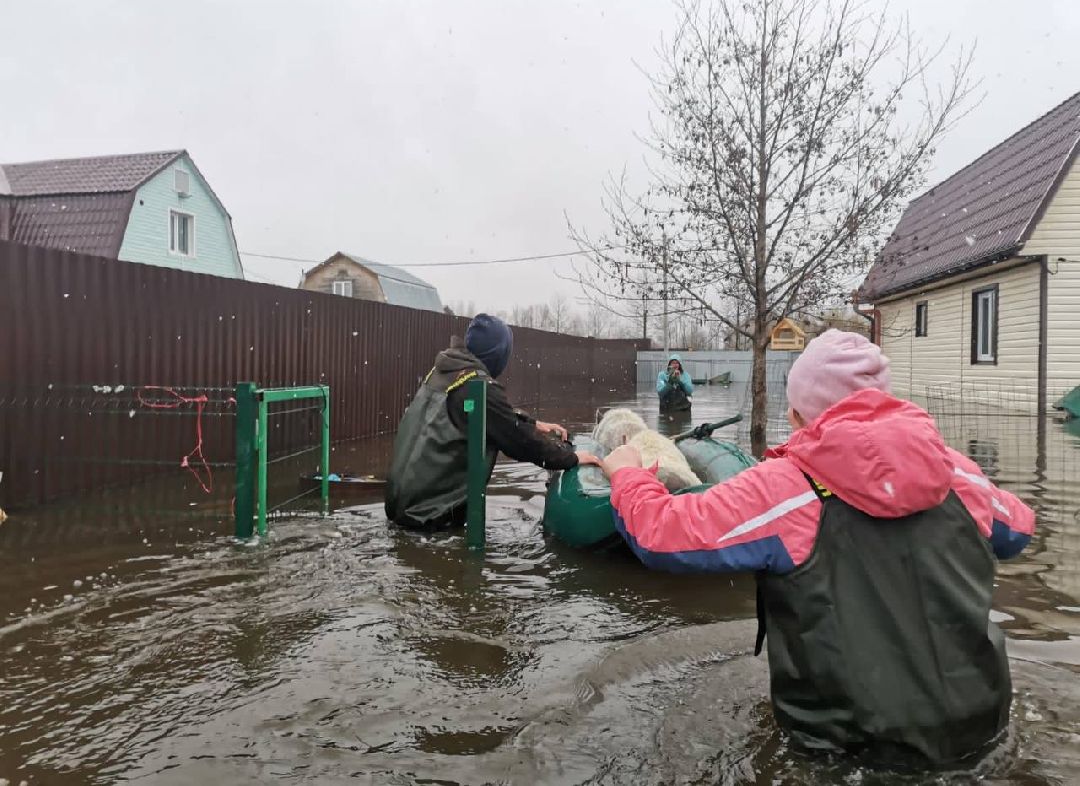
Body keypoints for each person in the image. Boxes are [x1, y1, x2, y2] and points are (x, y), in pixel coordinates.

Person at [600, 329, 1035, 766]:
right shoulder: (959, 474)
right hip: (983, 726)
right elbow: (1018, 531)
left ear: (797, 415)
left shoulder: (782, 489)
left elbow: (660, 534)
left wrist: (627, 475)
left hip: (849, 748)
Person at [385, 313, 599, 531]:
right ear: (499, 354)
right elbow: (522, 442)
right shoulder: (479, 387)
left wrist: (532, 423)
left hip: (402, 505)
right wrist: (570, 458)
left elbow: (486, 414)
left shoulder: (446, 371)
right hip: (432, 517)